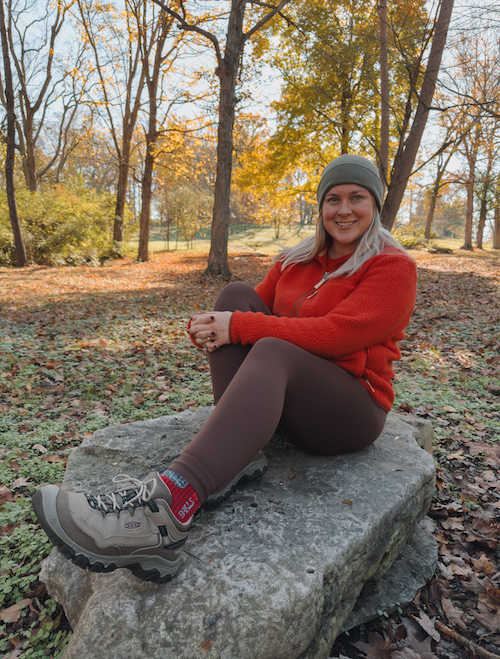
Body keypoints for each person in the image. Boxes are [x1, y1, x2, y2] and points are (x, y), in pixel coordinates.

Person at [32, 155, 417, 584]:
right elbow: (246, 311)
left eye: (356, 198)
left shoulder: (392, 267)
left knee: (270, 346)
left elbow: (338, 334)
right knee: (235, 294)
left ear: (375, 205)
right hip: (294, 402)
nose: (343, 210)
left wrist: (240, 327)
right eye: (333, 199)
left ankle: (164, 515)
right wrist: (211, 328)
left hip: (350, 410)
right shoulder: (295, 261)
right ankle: (238, 453)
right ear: (321, 208)